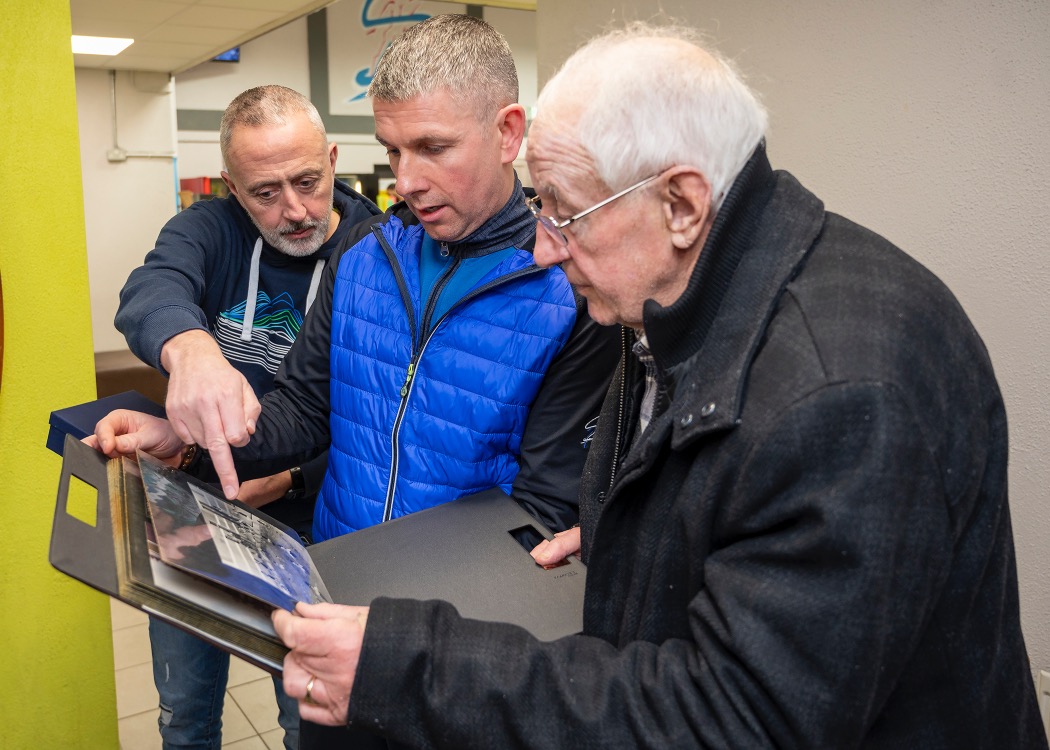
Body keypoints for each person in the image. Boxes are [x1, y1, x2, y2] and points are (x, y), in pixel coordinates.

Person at [261, 22, 1049, 749]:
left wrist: (410, 665)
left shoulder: (841, 389)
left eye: (565, 215)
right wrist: (632, 543)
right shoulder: (679, 302)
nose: (544, 248)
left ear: (681, 203)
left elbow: (736, 721)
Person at [91, 14, 619, 750]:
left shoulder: (568, 290)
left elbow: (541, 505)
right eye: (394, 150)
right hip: (333, 608)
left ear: (507, 134)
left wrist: (402, 637)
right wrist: (187, 438)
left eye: (433, 147)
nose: (408, 181)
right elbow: (304, 410)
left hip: (459, 647)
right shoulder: (366, 255)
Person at [113, 85, 380, 750]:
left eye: (308, 181)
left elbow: (382, 412)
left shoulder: (378, 249)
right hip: (203, 509)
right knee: (184, 710)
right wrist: (191, 349)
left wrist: (291, 478)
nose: (295, 210)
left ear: (333, 160)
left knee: (304, 720)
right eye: (265, 192)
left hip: (312, 526)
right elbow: (151, 289)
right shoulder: (210, 228)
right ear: (232, 186)